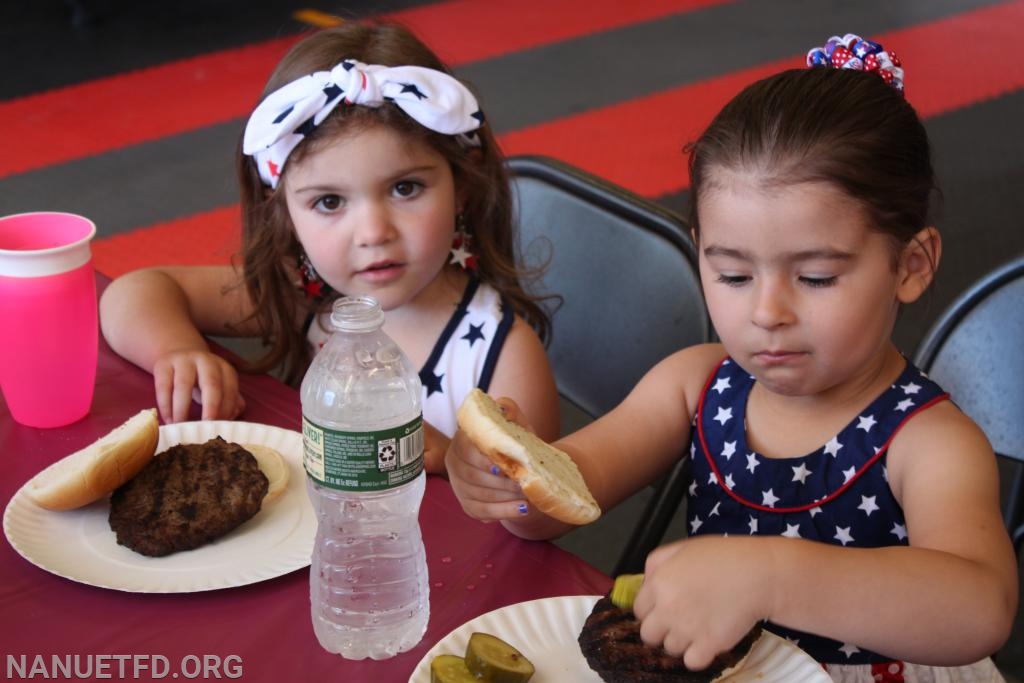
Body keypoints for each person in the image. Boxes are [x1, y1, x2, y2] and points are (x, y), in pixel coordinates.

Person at [446, 34, 1018, 681]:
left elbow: (979, 607)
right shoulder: (696, 383)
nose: (767, 312)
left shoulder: (929, 441)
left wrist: (771, 573)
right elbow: (565, 493)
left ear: (910, 266)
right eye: (735, 276)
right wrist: (511, 483)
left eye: (818, 277)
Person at [99, 22, 560, 474]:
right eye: (329, 201)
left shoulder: (501, 354)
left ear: (462, 183)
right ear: (283, 210)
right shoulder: (307, 295)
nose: (373, 232)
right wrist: (175, 351)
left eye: (405, 188)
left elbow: (533, 521)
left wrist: (453, 461)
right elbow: (134, 292)